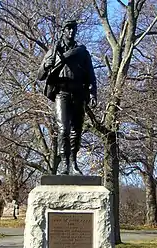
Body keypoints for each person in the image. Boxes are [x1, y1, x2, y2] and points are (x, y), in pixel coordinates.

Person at [38, 19, 97, 175]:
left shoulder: (82, 52)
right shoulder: (54, 50)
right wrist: (46, 65)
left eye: (74, 29)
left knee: (76, 131)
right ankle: (64, 164)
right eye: (69, 29)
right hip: (62, 93)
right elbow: (40, 75)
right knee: (64, 129)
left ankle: (74, 164)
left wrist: (93, 92)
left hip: (78, 93)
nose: (71, 32)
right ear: (63, 30)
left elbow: (91, 74)